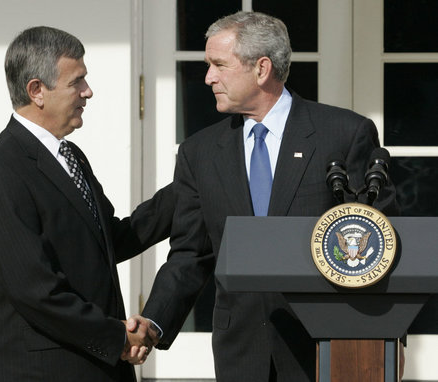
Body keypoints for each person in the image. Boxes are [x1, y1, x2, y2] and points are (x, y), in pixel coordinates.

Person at [139, 11, 399, 381]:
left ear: (261, 69)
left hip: (327, 346)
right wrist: (153, 323)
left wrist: (392, 337)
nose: (209, 77)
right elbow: (191, 254)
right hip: (241, 350)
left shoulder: (343, 134)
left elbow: (381, 240)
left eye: (219, 65)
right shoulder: (200, 151)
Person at [0, 26, 170, 382]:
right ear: (37, 91)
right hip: (43, 371)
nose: (87, 92)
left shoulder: (70, 156)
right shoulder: (1, 169)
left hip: (98, 367)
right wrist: (117, 337)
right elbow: (34, 290)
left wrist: (185, 192)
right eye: (76, 82)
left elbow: (109, 240)